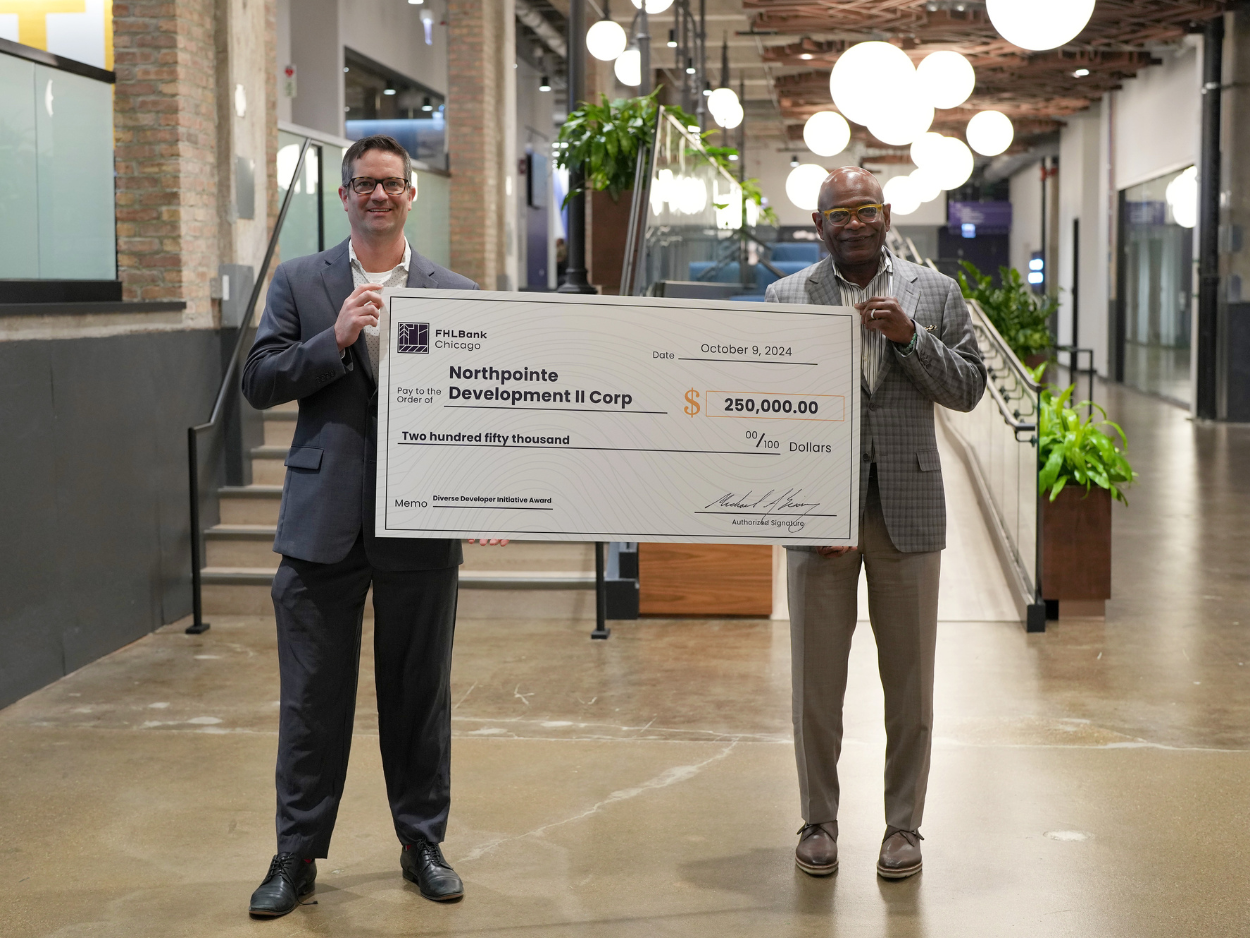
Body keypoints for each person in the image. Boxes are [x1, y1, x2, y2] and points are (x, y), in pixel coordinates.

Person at [241, 134, 505, 917]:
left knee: (419, 694)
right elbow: (259, 379)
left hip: (420, 523)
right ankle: (295, 854)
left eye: (391, 183)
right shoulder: (301, 280)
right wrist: (335, 339)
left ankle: (422, 843)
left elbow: (480, 407)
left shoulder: (454, 292)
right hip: (322, 520)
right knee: (310, 700)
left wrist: (484, 497)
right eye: (364, 184)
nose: (378, 195)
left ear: (411, 194)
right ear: (345, 195)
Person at [764, 167, 986, 880]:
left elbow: (969, 390)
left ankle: (903, 828)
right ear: (818, 225)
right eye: (839, 214)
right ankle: (817, 821)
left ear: (886, 215)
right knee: (815, 684)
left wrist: (911, 338)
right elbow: (768, 410)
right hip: (819, 517)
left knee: (911, 683)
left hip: (908, 511)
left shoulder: (935, 293)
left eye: (865, 210)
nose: (854, 223)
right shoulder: (785, 298)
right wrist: (805, 502)